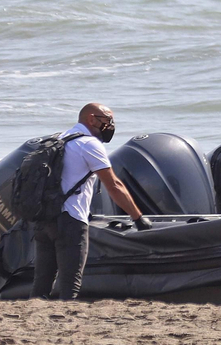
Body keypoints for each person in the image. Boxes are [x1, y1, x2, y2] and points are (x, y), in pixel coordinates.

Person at [32, 103, 151, 300]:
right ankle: (66, 326)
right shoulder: (89, 144)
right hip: (70, 219)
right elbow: (114, 185)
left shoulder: (60, 138)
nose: (110, 125)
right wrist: (138, 217)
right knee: (71, 282)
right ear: (91, 119)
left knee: (42, 281)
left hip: (44, 219)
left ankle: (33, 325)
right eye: (107, 120)